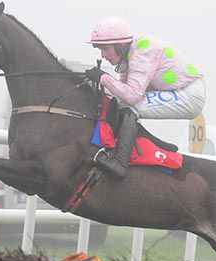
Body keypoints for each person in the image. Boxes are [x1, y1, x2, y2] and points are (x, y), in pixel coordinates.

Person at [85, 16, 206, 178]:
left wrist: (103, 78)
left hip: (190, 95)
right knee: (123, 104)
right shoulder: (129, 53)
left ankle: (120, 164)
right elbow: (122, 93)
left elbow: (132, 96)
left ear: (121, 45)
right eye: (101, 50)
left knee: (129, 107)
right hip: (180, 90)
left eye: (106, 49)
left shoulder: (141, 53)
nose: (103, 55)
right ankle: (158, 144)